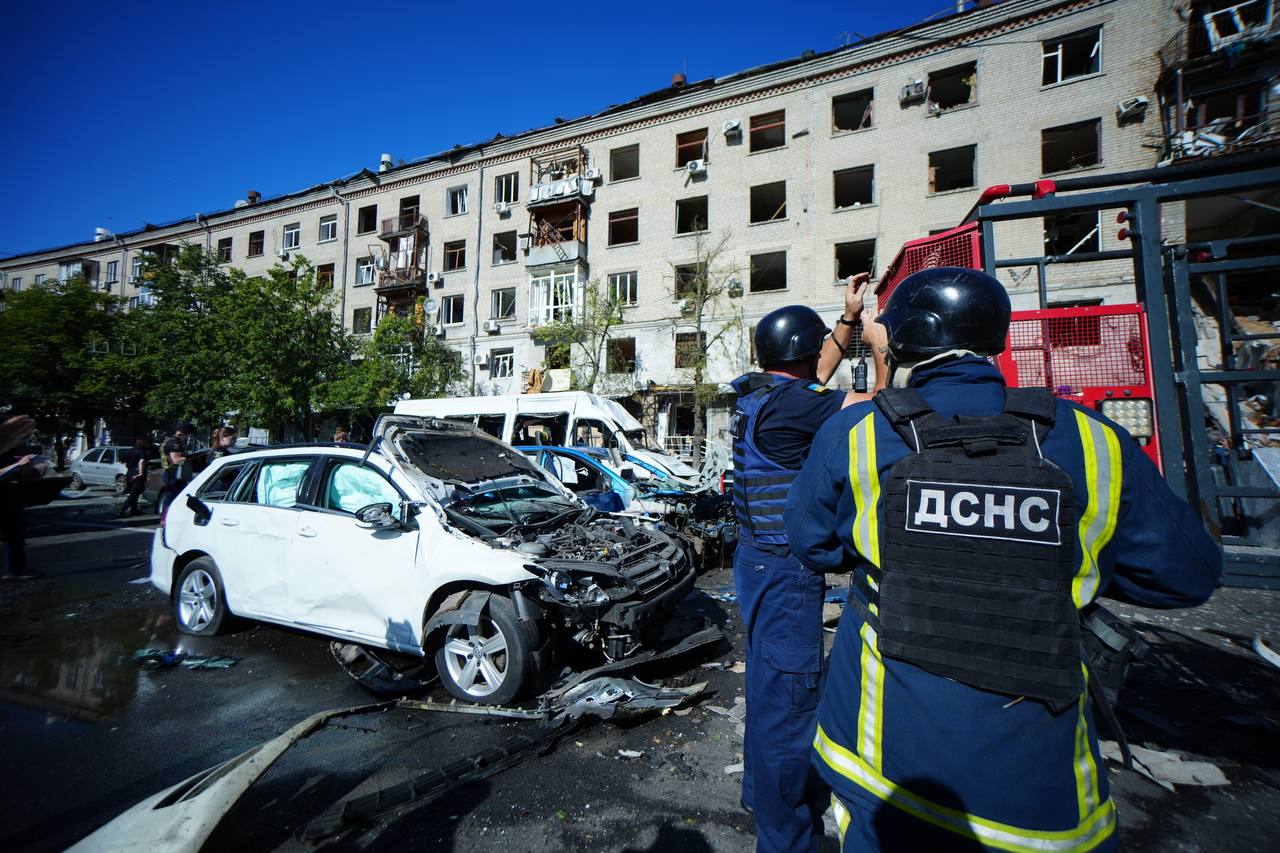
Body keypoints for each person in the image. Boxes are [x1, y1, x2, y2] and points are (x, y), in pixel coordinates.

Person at [785, 267, 1223, 853]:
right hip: (1042, 790)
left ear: (912, 334)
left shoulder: (857, 435)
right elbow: (1187, 575)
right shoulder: (1093, 440)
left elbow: (814, 543)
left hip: (884, 765)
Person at [732, 273, 888, 853]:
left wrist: (847, 318)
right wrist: (878, 344)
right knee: (789, 702)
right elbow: (882, 411)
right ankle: (785, 833)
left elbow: (814, 374)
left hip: (755, 563)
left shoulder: (759, 393)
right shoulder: (796, 406)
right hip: (785, 570)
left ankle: (766, 797)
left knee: (770, 689)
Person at [161, 422, 196, 512]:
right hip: (173, 474)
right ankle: (165, 519)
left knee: (175, 498)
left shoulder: (177, 441)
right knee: (171, 498)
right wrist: (193, 457)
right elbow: (176, 459)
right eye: (190, 434)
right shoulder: (174, 442)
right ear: (185, 433)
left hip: (177, 474)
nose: (190, 436)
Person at [118, 438, 149, 517]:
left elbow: (123, 461)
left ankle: (134, 509)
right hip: (137, 473)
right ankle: (122, 509)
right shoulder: (142, 452)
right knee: (134, 493)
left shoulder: (129, 451)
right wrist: (141, 473)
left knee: (134, 492)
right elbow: (141, 461)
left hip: (129, 472)